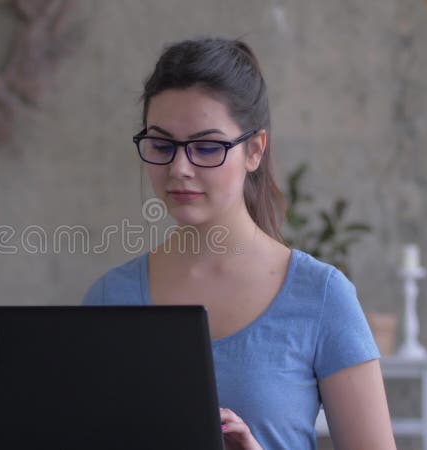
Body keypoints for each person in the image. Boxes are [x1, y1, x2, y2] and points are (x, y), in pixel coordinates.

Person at [81, 38, 396, 450]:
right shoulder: (110, 298)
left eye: (206, 147)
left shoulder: (321, 297)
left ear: (254, 151)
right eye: (161, 145)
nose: (179, 168)